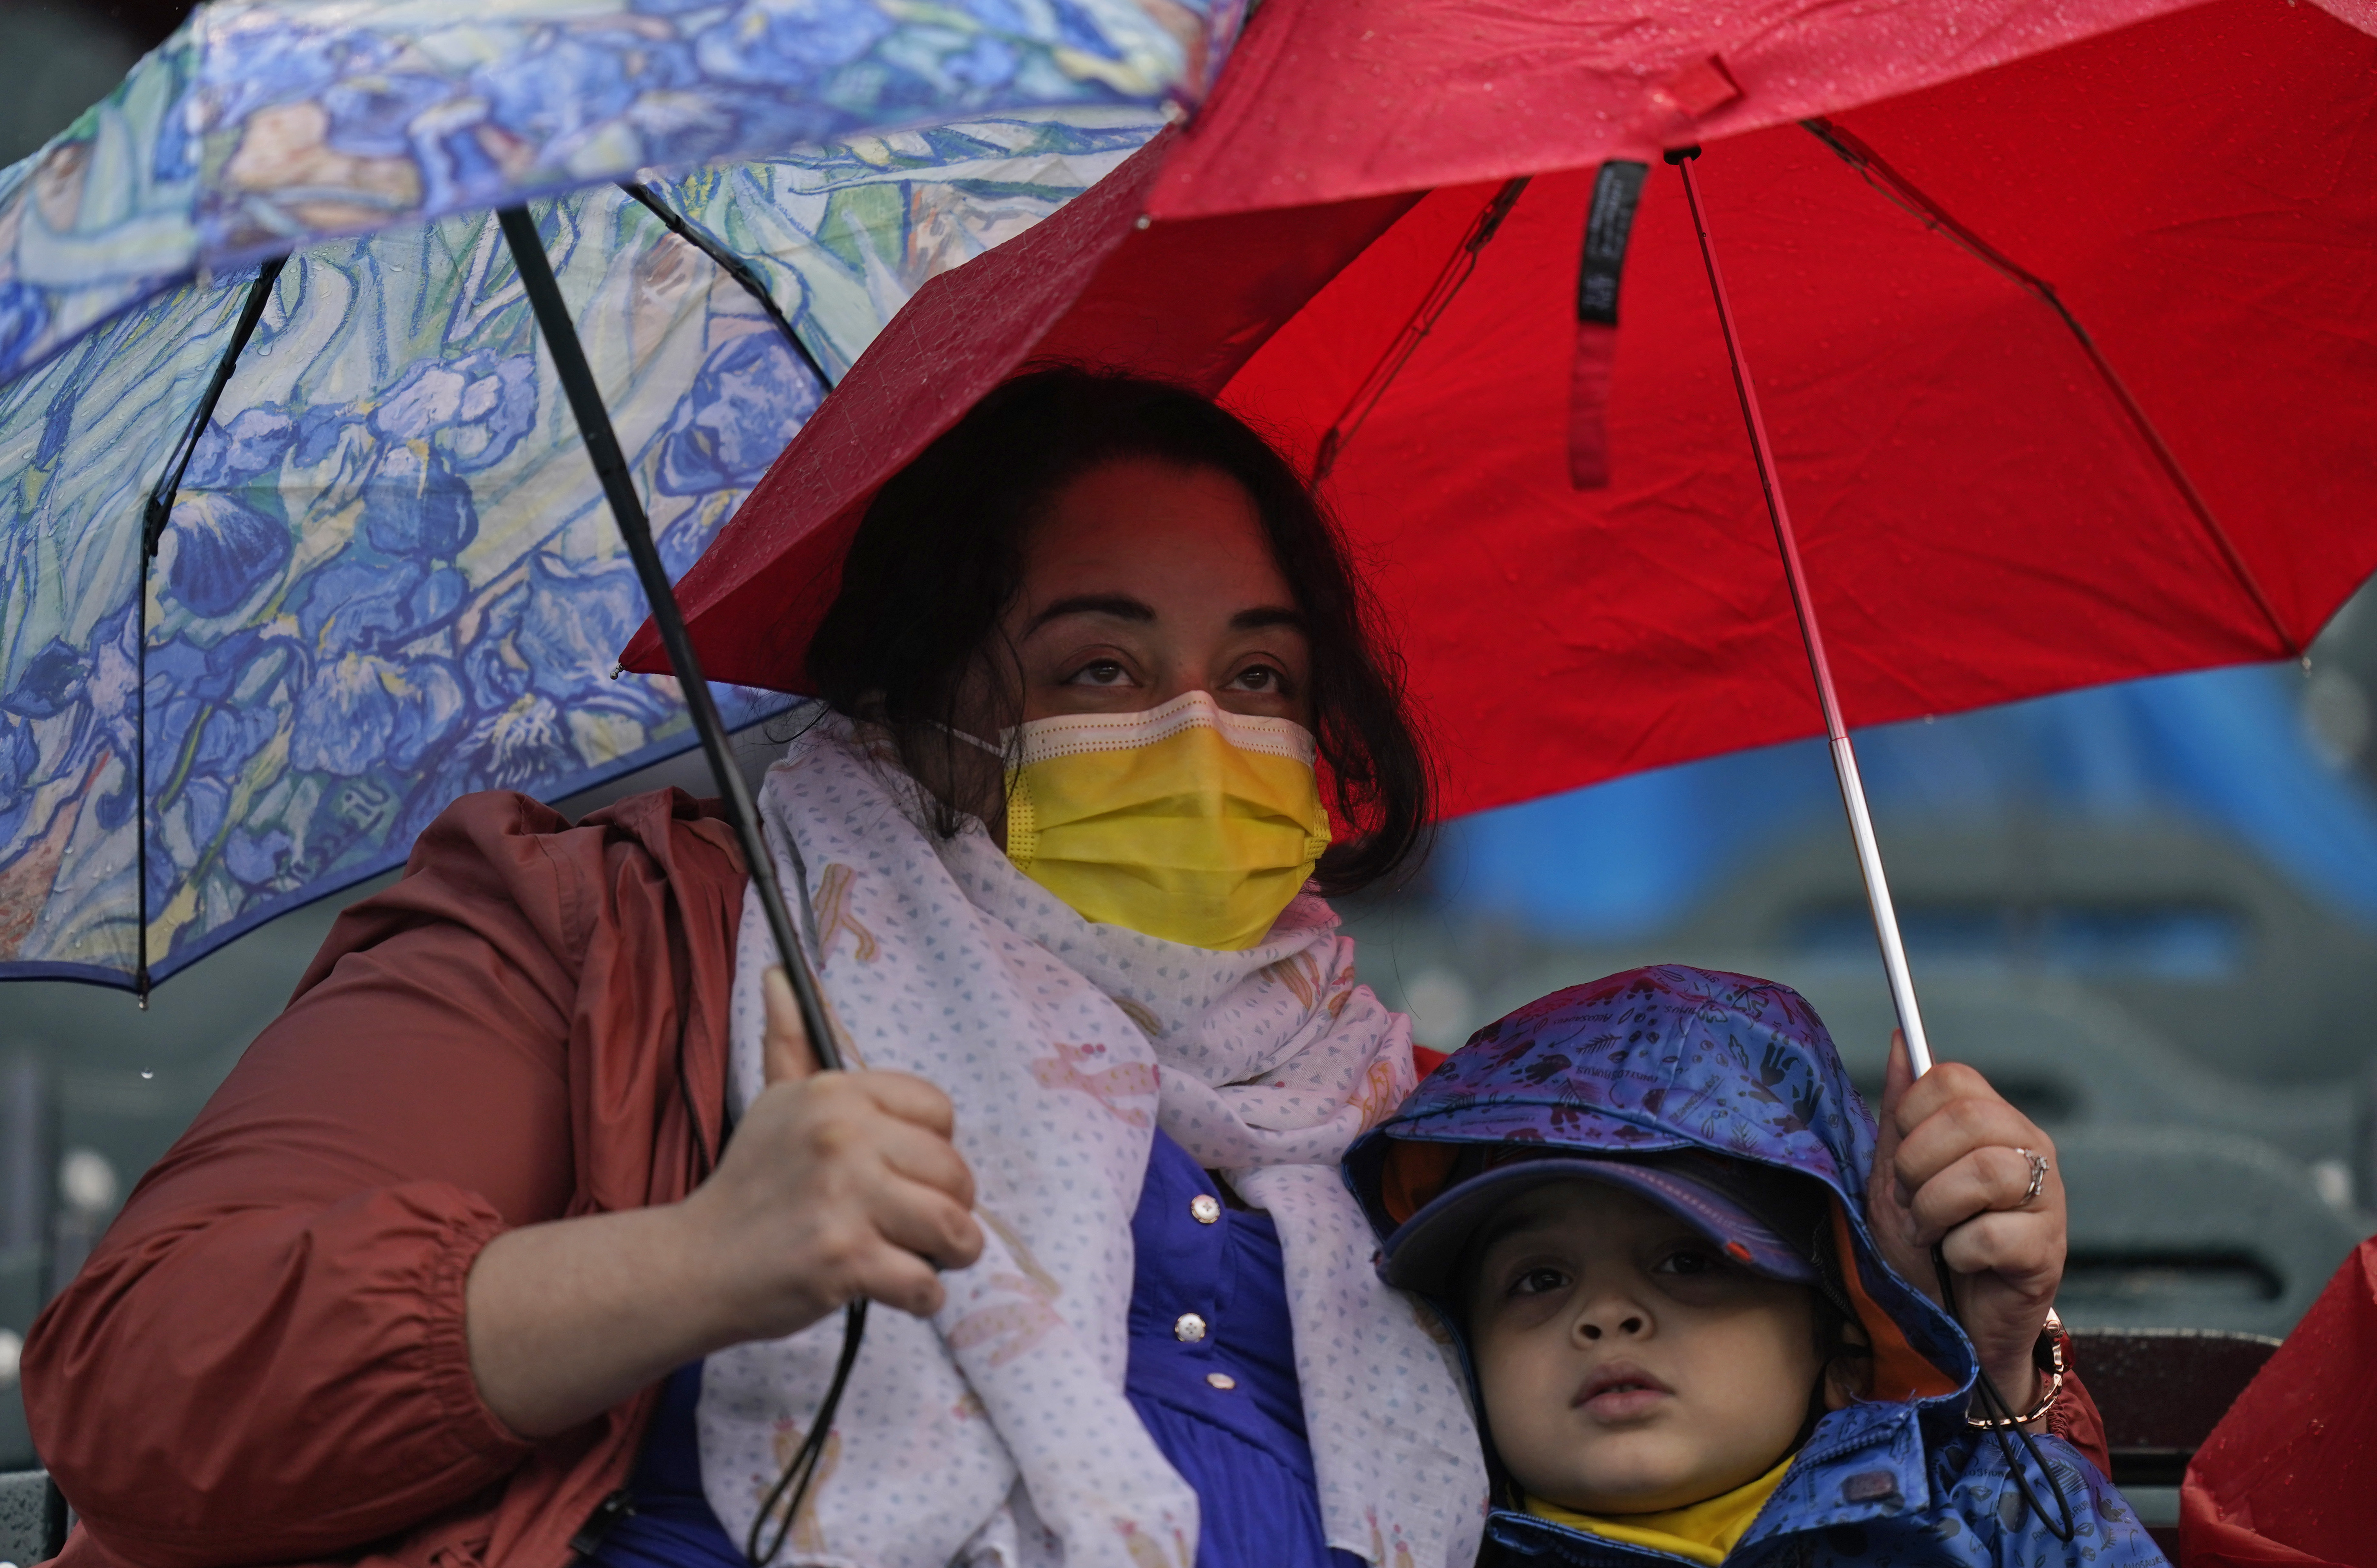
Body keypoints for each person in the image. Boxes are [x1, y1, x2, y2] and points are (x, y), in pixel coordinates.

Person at [24, 369, 2088, 1568]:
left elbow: (1735, 1503)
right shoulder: (618, 934)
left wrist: (1973, 1344)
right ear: (924, 697)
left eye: (1260, 677)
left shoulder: (1412, 1108)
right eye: (1099, 665)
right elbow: (145, 1385)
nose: (1199, 732)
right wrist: (695, 1264)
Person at [1347, 963, 2157, 1567]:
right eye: (1539, 1278)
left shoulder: (2000, 1521)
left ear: (1837, 1314)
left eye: (1689, 1258)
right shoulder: (1396, 1547)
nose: (1607, 1313)